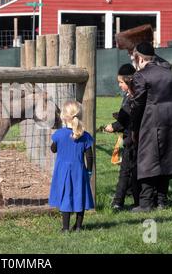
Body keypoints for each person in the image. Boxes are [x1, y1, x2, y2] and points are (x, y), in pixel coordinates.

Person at [130, 42, 172, 212]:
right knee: (166, 158)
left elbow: (138, 104)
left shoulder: (141, 76)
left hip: (151, 120)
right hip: (171, 118)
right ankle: (162, 201)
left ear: (139, 58)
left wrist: (134, 128)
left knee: (148, 160)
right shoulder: (168, 73)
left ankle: (146, 203)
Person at [49, 101, 94, 232]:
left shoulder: (59, 134)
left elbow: (53, 149)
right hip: (79, 171)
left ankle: (65, 228)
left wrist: (55, 143)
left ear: (63, 116)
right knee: (80, 195)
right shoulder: (85, 136)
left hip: (62, 171)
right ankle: (79, 226)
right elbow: (89, 156)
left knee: (65, 196)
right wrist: (89, 171)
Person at [104, 64, 139, 210]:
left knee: (125, 171)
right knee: (133, 170)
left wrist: (114, 126)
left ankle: (118, 202)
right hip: (132, 135)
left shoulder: (133, 97)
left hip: (132, 138)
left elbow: (127, 117)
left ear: (129, 81)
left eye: (121, 82)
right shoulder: (130, 95)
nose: (119, 85)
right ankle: (138, 199)